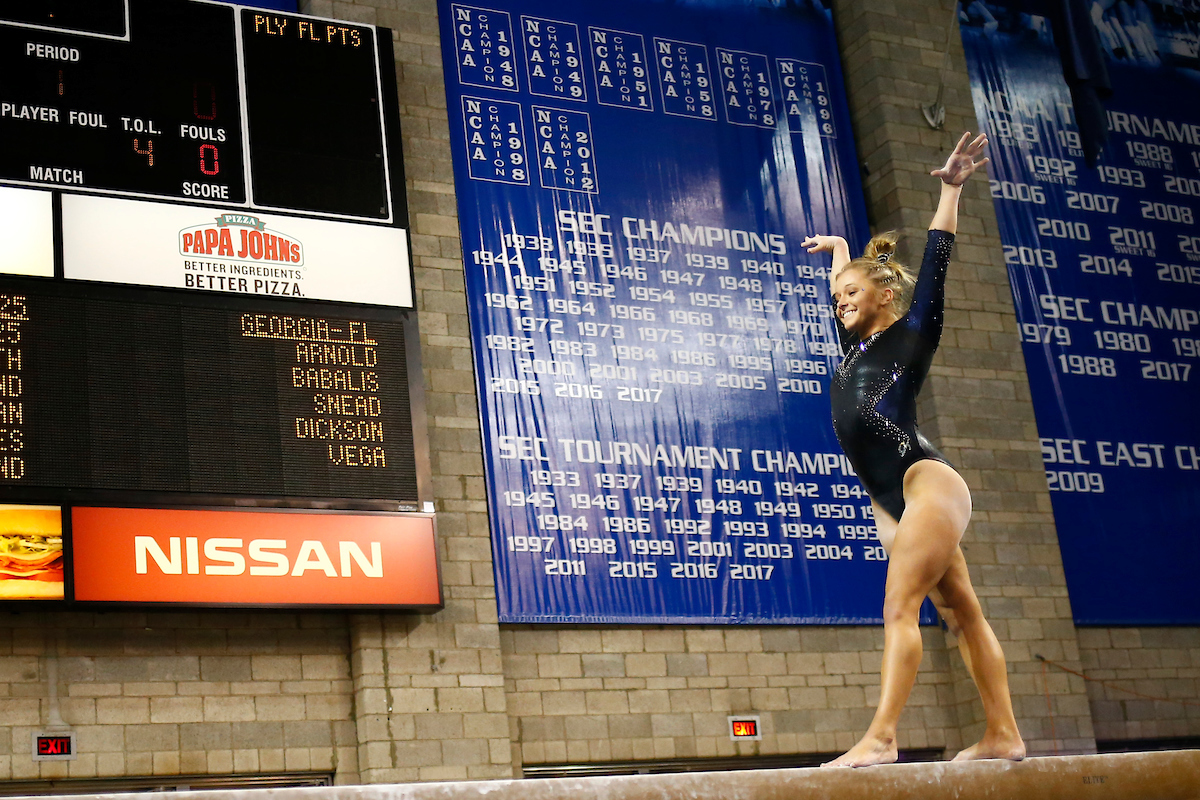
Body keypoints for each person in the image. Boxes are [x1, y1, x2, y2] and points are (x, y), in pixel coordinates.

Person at [800, 132, 1026, 768]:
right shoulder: (856, 353)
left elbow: (935, 264)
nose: (839, 301)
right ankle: (1003, 732)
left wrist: (950, 189)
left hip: (928, 484)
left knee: (899, 604)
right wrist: (844, 254)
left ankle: (882, 736)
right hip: (894, 501)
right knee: (960, 612)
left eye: (851, 293)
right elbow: (850, 288)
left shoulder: (911, 335)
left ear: (885, 297)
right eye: (836, 295)